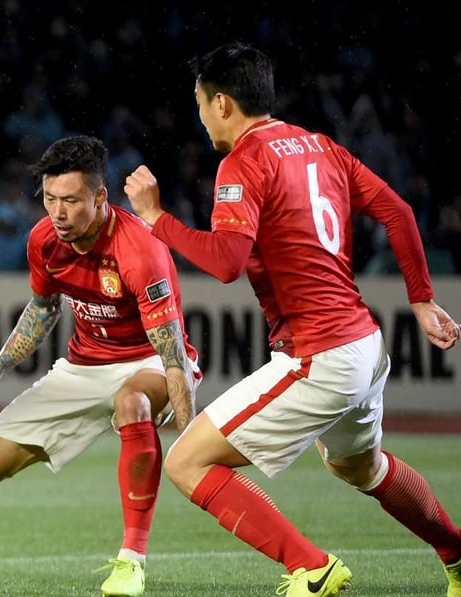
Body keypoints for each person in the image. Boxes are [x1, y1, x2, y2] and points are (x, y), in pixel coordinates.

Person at [123, 41, 461, 597]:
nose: (201, 116)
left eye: (201, 103)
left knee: (185, 462)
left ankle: (312, 566)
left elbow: (227, 263)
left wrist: (156, 217)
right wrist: (420, 299)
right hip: (365, 344)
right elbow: (398, 212)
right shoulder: (321, 147)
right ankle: (456, 554)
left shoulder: (243, 161)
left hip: (319, 354)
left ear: (224, 103)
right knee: (359, 468)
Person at [0, 135, 200, 597]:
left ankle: (131, 562)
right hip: (81, 367)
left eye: (71, 200)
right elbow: (43, 309)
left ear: (100, 197)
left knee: (131, 400)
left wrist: (187, 433)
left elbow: (173, 355)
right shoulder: (43, 238)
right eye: (50, 199)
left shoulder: (141, 249)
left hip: (149, 360)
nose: (58, 212)